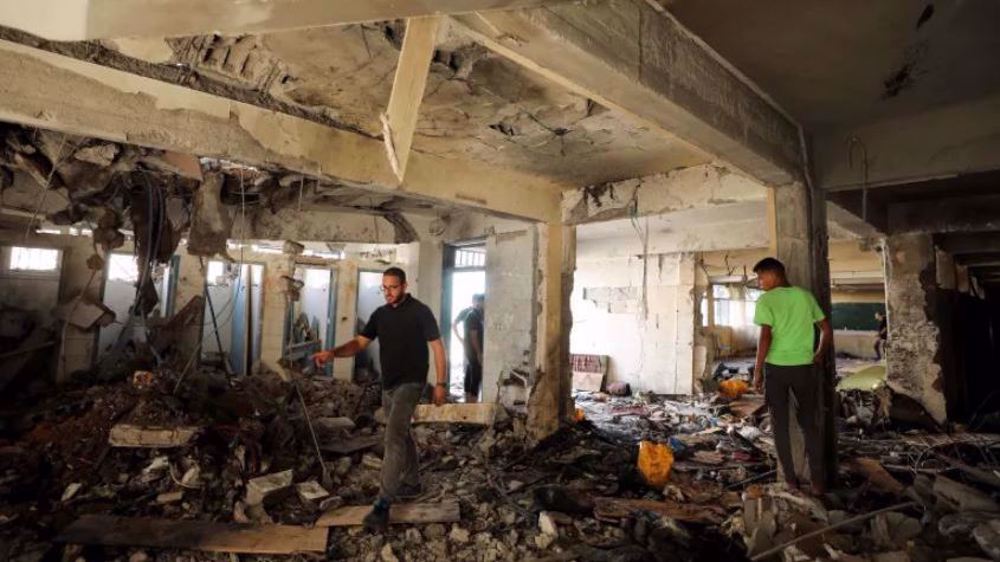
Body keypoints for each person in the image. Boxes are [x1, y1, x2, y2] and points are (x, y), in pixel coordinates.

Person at [312, 267, 447, 532]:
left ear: (404, 286)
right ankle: (412, 481)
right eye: (384, 288)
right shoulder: (381, 315)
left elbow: (438, 348)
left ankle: (382, 505)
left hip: (411, 384)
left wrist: (440, 383)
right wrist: (332, 353)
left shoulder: (420, 312)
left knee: (393, 438)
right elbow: (359, 344)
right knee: (401, 433)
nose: (388, 292)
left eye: (393, 287)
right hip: (389, 386)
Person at [751, 257, 832, 495]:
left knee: (780, 426)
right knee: (809, 424)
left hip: (776, 369)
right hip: (804, 368)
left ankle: (790, 481)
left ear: (775, 275)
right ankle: (817, 482)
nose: (759, 282)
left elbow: (765, 337)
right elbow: (826, 329)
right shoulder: (805, 296)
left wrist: (757, 372)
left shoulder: (766, 300)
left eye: (761, 276)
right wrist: (819, 354)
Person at [452, 294, 485, 403]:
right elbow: (474, 336)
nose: (484, 305)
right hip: (472, 348)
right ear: (477, 302)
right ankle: (472, 400)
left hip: (470, 347)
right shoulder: (472, 315)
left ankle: (468, 396)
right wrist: (479, 352)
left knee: (471, 369)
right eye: (483, 302)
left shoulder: (478, 314)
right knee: (476, 371)